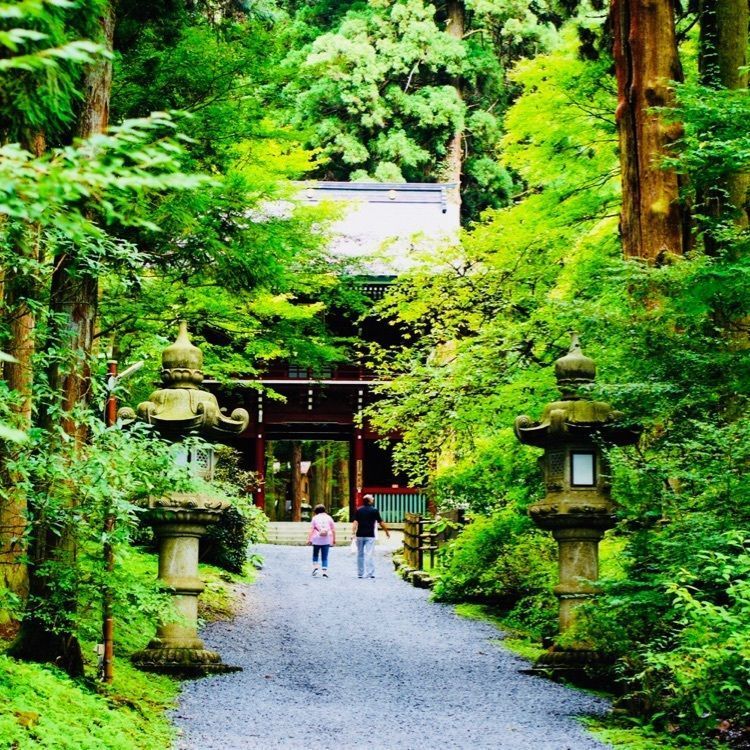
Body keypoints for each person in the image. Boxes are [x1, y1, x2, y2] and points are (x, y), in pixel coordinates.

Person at [352, 494, 390, 579]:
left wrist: (353, 533)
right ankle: (370, 573)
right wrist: (386, 532)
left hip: (360, 534)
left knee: (360, 554)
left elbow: (355, 522)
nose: (373, 500)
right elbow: (381, 522)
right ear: (369, 501)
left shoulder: (359, 510)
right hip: (370, 535)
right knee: (369, 554)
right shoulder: (374, 510)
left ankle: (360, 573)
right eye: (372, 499)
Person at [308, 504, 336, 578]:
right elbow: (333, 529)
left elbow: (311, 529)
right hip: (326, 539)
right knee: (325, 556)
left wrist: (309, 539)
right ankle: (324, 572)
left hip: (316, 538)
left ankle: (316, 567)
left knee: (315, 554)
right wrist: (334, 540)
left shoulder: (315, 518)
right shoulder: (329, 518)